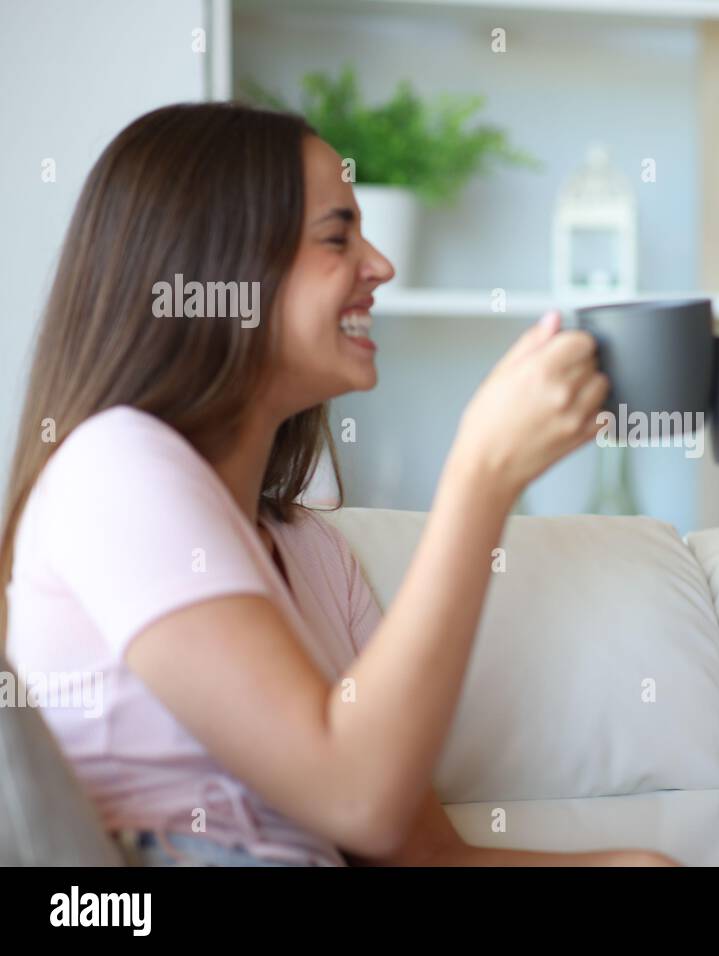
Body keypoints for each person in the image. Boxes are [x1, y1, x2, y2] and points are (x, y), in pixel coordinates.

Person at [1, 102, 675, 867]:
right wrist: (484, 471)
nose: (380, 265)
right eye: (337, 236)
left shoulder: (316, 555)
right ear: (222, 271)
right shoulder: (111, 467)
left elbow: (420, 852)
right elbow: (359, 797)